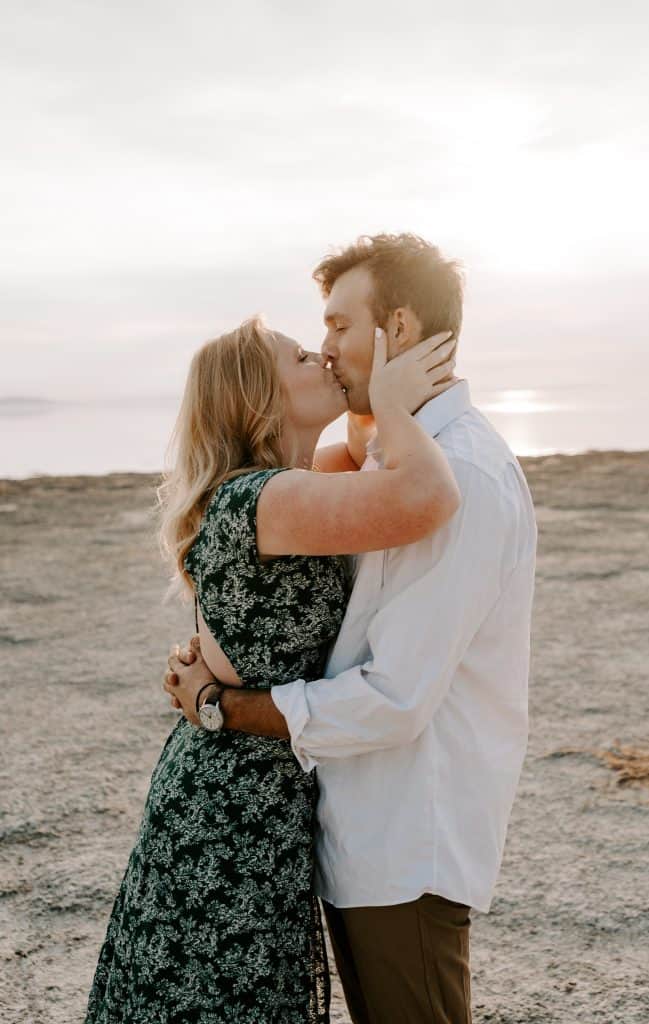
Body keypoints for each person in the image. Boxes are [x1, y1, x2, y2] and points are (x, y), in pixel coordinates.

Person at [166, 233, 537, 1024]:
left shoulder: (456, 472)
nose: (328, 351)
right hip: (359, 827)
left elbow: (395, 697)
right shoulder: (402, 460)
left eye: (338, 327)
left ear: (397, 330)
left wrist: (224, 707)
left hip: (407, 835)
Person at [84, 311, 459, 1024]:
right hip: (231, 803)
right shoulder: (266, 497)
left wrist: (374, 398)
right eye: (299, 359)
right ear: (260, 397)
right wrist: (387, 401)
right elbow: (426, 496)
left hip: (243, 783)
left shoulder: (282, 485)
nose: (322, 356)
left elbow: (359, 457)